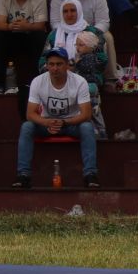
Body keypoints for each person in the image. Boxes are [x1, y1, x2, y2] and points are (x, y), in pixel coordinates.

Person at [16, 49, 98, 188]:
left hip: (71, 123)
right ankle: (23, 175)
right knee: (27, 126)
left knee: (87, 127)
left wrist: (64, 122)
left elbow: (86, 115)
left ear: (67, 65)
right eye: (51, 64)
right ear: (46, 65)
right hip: (47, 123)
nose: (54, 68)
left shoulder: (79, 82)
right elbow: (30, 114)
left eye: (59, 64)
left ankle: (90, 175)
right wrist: (46, 122)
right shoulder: (38, 81)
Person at [0, 0, 49, 101]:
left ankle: (36, 82)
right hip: (12, 34)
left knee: (40, 37)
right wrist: (10, 26)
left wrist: (26, 26)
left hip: (30, 34)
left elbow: (40, 25)